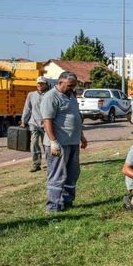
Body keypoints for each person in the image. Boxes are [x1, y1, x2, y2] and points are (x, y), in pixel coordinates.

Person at [40, 71, 87, 212]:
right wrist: (53, 141)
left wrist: (82, 137)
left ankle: (67, 202)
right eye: (69, 85)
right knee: (57, 175)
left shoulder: (71, 95)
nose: (72, 88)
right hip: (58, 144)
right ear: (60, 83)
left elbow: (76, 118)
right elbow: (47, 120)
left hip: (72, 142)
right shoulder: (51, 97)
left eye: (73, 86)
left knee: (73, 173)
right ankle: (53, 206)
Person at [21, 76, 50, 172]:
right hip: (34, 123)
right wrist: (23, 121)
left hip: (46, 124)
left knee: (46, 144)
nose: (40, 85)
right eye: (38, 83)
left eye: (42, 83)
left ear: (46, 85)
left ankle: (49, 163)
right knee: (34, 144)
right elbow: (27, 108)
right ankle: (36, 164)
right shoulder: (31, 95)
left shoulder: (50, 95)